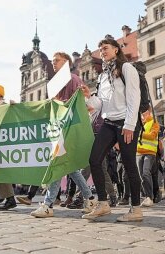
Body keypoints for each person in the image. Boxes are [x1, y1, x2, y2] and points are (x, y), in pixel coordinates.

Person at [81, 37, 142, 222]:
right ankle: (103, 203)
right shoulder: (102, 75)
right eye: (100, 49)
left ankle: (136, 209)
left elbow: (134, 97)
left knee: (129, 163)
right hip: (109, 122)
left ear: (116, 49)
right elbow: (100, 104)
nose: (102, 51)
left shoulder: (126, 68)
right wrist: (87, 97)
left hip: (126, 122)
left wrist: (130, 125)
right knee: (94, 159)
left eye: (105, 48)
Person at [30, 52, 97, 218]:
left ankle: (48, 204)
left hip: (69, 129)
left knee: (58, 163)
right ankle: (89, 199)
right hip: (61, 128)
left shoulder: (73, 78)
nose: (53, 63)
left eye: (57, 61)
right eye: (52, 61)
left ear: (66, 62)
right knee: (71, 168)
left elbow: (84, 104)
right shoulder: (56, 82)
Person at [136, 107, 159, 207]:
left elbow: (152, 136)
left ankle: (150, 197)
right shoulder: (140, 124)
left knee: (146, 173)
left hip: (150, 153)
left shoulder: (154, 123)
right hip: (138, 153)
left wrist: (140, 133)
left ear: (149, 112)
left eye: (144, 113)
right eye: (141, 113)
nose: (142, 115)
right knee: (141, 176)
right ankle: (147, 196)